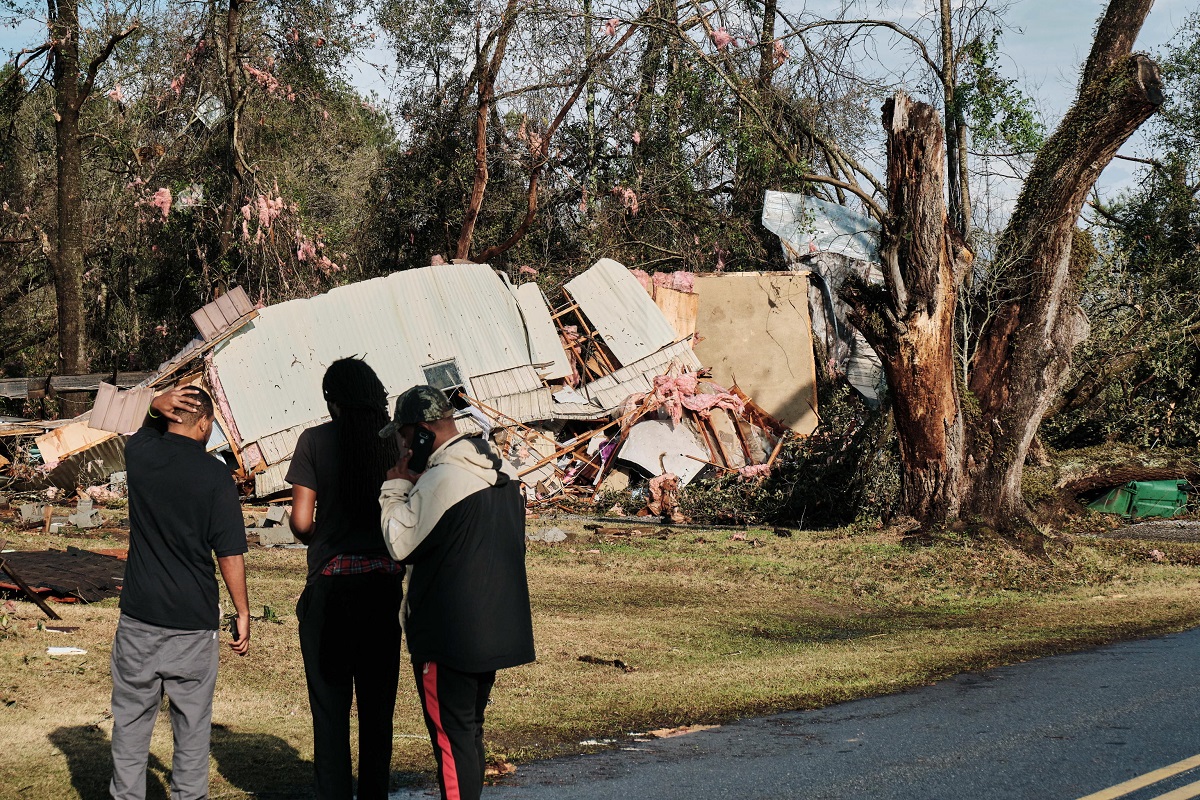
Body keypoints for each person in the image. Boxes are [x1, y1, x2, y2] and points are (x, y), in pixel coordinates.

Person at [377, 385, 535, 800]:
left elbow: (399, 543)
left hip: (449, 636)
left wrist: (394, 488)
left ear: (425, 430)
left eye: (406, 436)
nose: (405, 446)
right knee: (468, 734)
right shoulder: (499, 467)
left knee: (451, 742)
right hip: (495, 625)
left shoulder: (442, 479)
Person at [110, 385, 250, 800]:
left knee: (131, 727)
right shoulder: (215, 476)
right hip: (192, 623)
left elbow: (141, 431)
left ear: (170, 415)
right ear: (204, 423)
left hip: (138, 617)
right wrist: (241, 610)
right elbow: (229, 554)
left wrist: (155, 407)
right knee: (191, 731)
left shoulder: (141, 456)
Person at [286, 358, 405, 800]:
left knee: (330, 711)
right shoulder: (393, 445)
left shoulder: (314, 441)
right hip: (382, 589)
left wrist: (326, 536)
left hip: (331, 588)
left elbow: (300, 523)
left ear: (332, 402)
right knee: (378, 713)